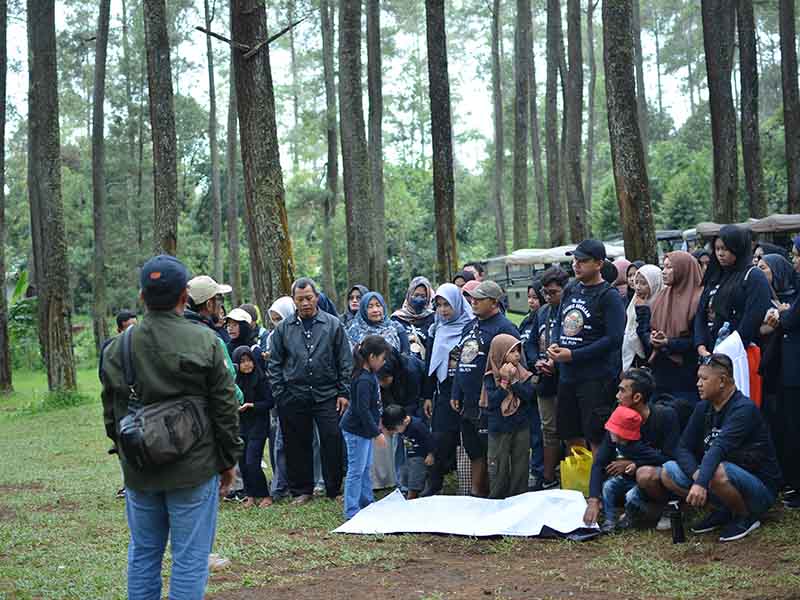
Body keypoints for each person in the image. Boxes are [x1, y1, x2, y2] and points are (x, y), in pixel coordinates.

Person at [100, 255, 243, 599]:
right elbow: (225, 409)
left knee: (144, 554)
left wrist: (128, 454)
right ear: (184, 296)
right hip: (194, 469)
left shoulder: (119, 347)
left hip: (140, 470)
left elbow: (111, 412)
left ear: (141, 297)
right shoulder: (205, 341)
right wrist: (227, 460)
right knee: (190, 559)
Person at [661, 354, 781, 542]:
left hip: (760, 489)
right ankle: (724, 510)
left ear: (723, 381)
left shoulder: (743, 409)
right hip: (720, 477)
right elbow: (682, 447)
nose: (698, 384)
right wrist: (696, 475)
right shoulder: (703, 408)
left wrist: (701, 483)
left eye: (704, 379)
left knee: (716, 470)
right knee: (668, 471)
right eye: (698, 378)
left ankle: (745, 516)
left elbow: (719, 448)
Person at [267, 277, 353, 504]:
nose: (305, 303)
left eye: (309, 298)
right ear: (293, 301)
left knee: (331, 439)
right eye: (300, 299)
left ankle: (333, 488)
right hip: (293, 394)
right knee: (297, 444)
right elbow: (274, 363)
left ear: (316, 297)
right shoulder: (284, 328)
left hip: (327, 394)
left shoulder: (333, 324)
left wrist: (343, 392)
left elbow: (345, 360)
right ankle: (301, 490)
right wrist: (280, 393)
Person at [548, 240, 626, 453]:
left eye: (582, 261)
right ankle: (580, 481)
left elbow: (614, 339)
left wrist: (573, 355)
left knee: (596, 435)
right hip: (567, 376)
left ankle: (598, 483)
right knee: (570, 433)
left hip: (595, 378)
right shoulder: (571, 289)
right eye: (574, 260)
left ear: (599, 263)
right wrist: (555, 343)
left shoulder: (609, 296)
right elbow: (559, 321)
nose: (576, 265)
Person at [582, 369, 680, 531]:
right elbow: (600, 462)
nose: (617, 396)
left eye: (622, 391)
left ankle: (668, 508)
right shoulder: (618, 417)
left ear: (637, 397)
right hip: (628, 479)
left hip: (658, 476)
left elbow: (671, 457)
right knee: (610, 486)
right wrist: (593, 500)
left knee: (645, 476)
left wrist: (635, 462)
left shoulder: (665, 416)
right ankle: (614, 518)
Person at [451, 280, 519, 497]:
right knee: (473, 449)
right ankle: (476, 492)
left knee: (492, 450)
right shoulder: (470, 326)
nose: (474, 302)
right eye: (472, 298)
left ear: (494, 302)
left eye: (480, 299)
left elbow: (514, 364)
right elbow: (462, 359)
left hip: (490, 398)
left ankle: (493, 493)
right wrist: (455, 391)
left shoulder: (505, 327)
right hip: (467, 398)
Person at [422, 283, 474, 496]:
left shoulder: (471, 326)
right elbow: (430, 365)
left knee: (469, 439)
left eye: (448, 305)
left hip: (466, 392)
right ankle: (434, 484)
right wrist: (427, 395)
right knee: (440, 438)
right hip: (443, 392)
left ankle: (471, 485)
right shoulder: (437, 328)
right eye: (439, 305)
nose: (443, 310)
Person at [695, 225, 772, 357]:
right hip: (710, 350)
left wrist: (727, 350)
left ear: (738, 248)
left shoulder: (754, 276)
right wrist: (700, 345)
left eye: (725, 249)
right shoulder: (716, 275)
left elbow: (752, 320)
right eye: (717, 249)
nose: (720, 254)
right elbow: (701, 313)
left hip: (739, 352)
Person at [339, 335, 391, 519]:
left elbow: (372, 406)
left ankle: (366, 502)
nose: (383, 362)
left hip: (364, 430)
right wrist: (376, 433)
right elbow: (362, 410)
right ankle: (351, 509)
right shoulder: (363, 379)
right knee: (356, 469)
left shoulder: (369, 376)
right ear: (372, 357)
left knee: (365, 466)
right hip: (356, 431)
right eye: (382, 358)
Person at [646, 251, 704, 403]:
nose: (664, 272)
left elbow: (698, 340)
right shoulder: (661, 297)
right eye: (663, 267)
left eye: (669, 267)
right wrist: (652, 338)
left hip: (686, 374)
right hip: (661, 372)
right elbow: (648, 328)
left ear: (683, 269)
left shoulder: (698, 299)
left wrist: (669, 342)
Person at [482, 335, 534, 498]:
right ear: (500, 353)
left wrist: (515, 382)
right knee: (498, 466)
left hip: (520, 425)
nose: (517, 355)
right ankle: (497, 499)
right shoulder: (491, 377)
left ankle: (519, 498)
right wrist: (504, 382)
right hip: (499, 427)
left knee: (521, 464)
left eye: (518, 351)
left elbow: (529, 396)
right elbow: (493, 401)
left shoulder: (523, 374)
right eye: (512, 352)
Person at [533, 267, 569, 489]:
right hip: (545, 378)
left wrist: (557, 362)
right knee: (548, 429)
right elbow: (530, 344)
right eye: (545, 292)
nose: (548, 297)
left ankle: (572, 475)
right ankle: (548, 477)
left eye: (553, 292)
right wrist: (536, 361)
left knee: (570, 428)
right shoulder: (542, 312)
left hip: (566, 377)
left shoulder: (570, 310)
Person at [232, 346, 273, 508]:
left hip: (258, 425)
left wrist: (252, 405)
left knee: (252, 462)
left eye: (249, 360)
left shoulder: (261, 379)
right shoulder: (235, 382)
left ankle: (264, 494)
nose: (247, 365)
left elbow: (269, 402)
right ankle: (250, 495)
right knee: (242, 462)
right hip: (242, 425)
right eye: (242, 362)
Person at [518, 280, 545, 488]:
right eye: (529, 297)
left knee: (540, 431)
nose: (531, 301)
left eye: (535, 297)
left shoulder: (547, 317)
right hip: (525, 382)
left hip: (544, 380)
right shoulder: (525, 322)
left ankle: (540, 471)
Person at [381, 404, 435, 499]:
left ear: (404, 422)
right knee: (406, 475)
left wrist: (431, 454)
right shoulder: (401, 426)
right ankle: (408, 491)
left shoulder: (418, 426)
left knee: (415, 478)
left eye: (396, 429)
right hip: (409, 454)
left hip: (420, 456)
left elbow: (429, 439)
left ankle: (412, 497)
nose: (396, 432)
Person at [621, 264, 663, 371]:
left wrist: (642, 310)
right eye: (637, 282)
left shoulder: (661, 305)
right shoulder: (634, 301)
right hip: (634, 360)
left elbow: (644, 334)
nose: (638, 287)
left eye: (644, 283)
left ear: (655, 284)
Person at [391, 276, 436, 362]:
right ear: (409, 295)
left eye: (423, 296)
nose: (419, 299)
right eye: (416, 295)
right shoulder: (397, 318)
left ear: (428, 298)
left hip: (426, 367)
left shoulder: (433, 318)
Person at [186, 275, 233, 344]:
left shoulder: (175, 330)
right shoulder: (213, 340)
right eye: (220, 298)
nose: (221, 305)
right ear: (209, 305)